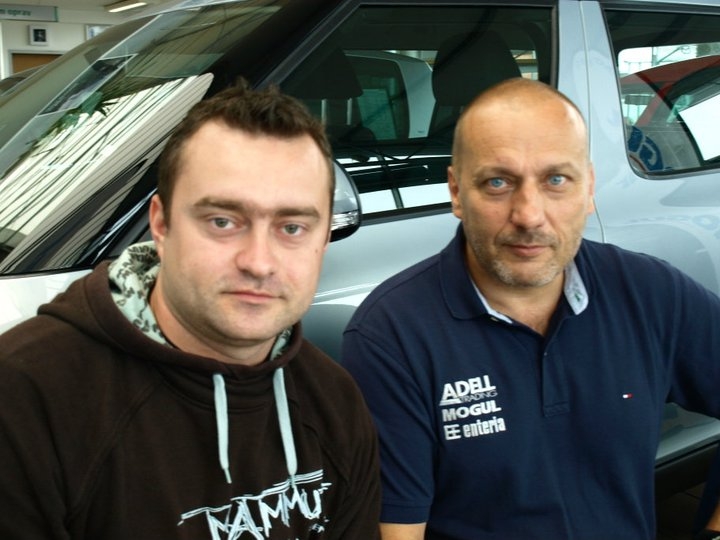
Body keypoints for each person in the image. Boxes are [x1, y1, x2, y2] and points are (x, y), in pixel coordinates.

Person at [340, 77, 720, 540]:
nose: (529, 215)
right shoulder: (391, 336)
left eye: (556, 180)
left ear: (588, 188)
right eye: (497, 182)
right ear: (456, 192)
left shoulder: (650, 293)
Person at [0, 82, 381, 539]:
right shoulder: (26, 397)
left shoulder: (334, 401)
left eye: (293, 227)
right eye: (223, 221)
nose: (259, 262)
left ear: (323, 240)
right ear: (161, 225)